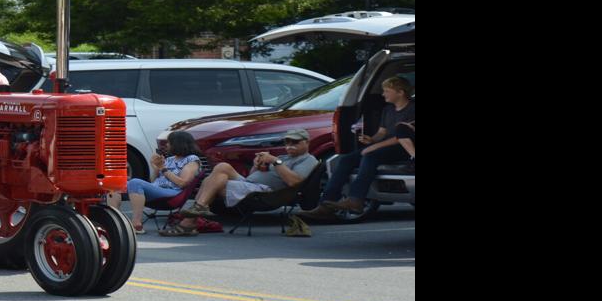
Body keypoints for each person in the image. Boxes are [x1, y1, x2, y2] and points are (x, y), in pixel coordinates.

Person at [161, 129, 318, 237]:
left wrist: (275, 161)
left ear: (307, 142)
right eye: (287, 142)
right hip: (251, 184)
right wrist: (257, 166)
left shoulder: (307, 160)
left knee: (216, 179)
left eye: (295, 143)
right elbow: (253, 177)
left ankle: (190, 220)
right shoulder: (285, 158)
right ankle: (199, 210)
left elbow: (294, 181)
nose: (289, 146)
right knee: (222, 167)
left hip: (266, 192)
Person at [303, 77, 414, 219]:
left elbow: (401, 135)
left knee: (370, 156)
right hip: (385, 146)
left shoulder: (412, 108)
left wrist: (374, 147)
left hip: (404, 148)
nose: (383, 94)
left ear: (400, 92)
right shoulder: (388, 109)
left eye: (387, 91)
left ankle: (356, 200)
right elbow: (383, 132)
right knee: (346, 160)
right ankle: (325, 204)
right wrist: (372, 140)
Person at [110, 130, 203, 233]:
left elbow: (182, 183)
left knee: (135, 182)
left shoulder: (191, 160)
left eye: (169, 142)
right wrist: (156, 168)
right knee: (115, 183)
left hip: (173, 193)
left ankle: (136, 224)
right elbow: (153, 181)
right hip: (158, 190)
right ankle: (114, 221)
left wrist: (163, 169)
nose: (166, 145)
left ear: (177, 143)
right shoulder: (169, 159)